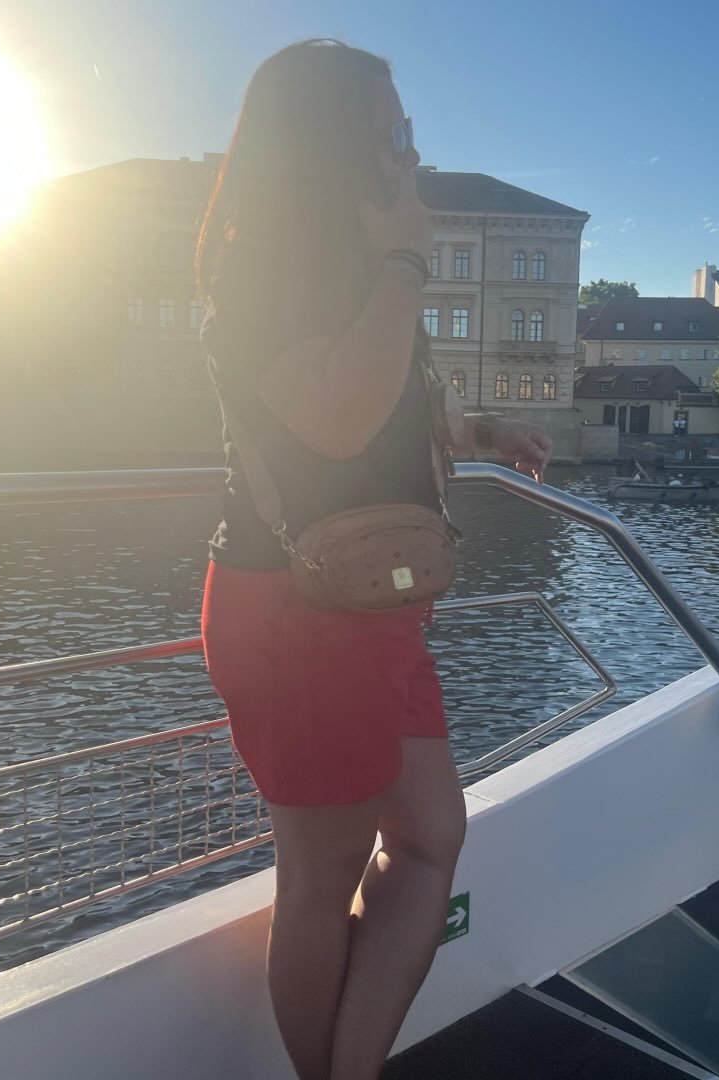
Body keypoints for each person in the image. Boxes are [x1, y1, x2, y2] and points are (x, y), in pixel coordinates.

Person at [195, 41, 551, 1080]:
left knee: (432, 833)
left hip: (374, 603)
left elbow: (396, 401)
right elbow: (339, 421)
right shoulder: (259, 275)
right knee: (324, 875)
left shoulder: (354, 270)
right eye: (394, 133)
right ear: (329, 145)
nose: (412, 155)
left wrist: (480, 432)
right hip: (294, 613)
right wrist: (403, 262)